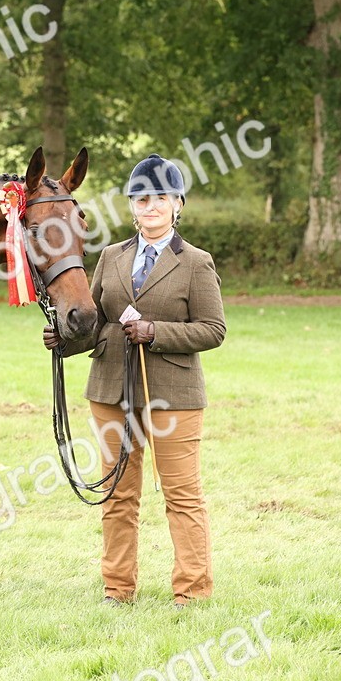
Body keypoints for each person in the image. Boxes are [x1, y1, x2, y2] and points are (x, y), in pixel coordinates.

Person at [43, 154, 226, 608]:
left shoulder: (196, 263)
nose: (150, 206)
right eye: (141, 198)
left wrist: (156, 332)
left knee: (182, 496)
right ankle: (117, 588)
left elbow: (213, 329)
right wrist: (65, 340)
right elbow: (97, 320)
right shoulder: (109, 257)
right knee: (118, 495)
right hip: (110, 391)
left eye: (160, 197)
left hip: (175, 396)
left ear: (177, 203)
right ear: (131, 206)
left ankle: (192, 591)